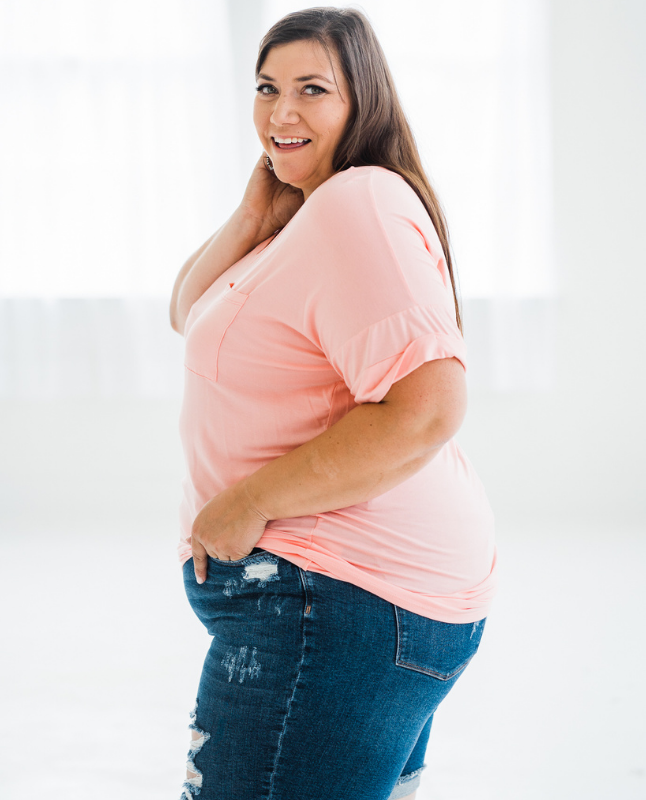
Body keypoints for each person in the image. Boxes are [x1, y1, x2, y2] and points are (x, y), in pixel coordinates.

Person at [169, 7, 497, 800]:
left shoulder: (359, 204)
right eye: (266, 88)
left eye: (312, 89)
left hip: (337, 604)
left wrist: (245, 503)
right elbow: (189, 310)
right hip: (345, 606)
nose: (281, 114)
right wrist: (255, 214)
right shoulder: (311, 215)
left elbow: (427, 409)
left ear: (363, 101)